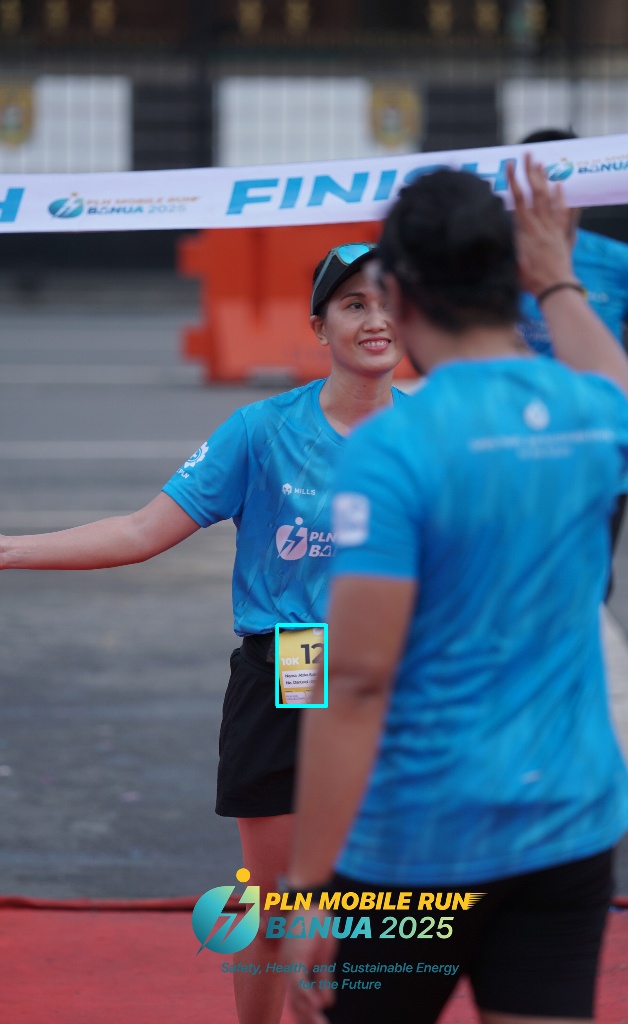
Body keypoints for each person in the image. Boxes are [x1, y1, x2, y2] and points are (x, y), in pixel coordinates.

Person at [0, 241, 406, 1024]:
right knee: (277, 898)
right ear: (319, 326)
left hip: (394, 682)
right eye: (354, 304)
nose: (375, 320)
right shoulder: (261, 430)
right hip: (290, 670)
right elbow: (141, 530)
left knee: (374, 902)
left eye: (389, 302)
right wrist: (11, 550)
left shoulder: (437, 437)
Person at [283, 157, 628, 1024]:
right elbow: (623, 388)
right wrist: (555, 277)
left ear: (396, 295)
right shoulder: (594, 416)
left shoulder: (393, 449)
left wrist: (309, 887)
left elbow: (356, 682)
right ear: (512, 277)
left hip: (416, 844)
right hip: (567, 823)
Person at [518, 128, 628, 574]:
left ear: (582, 193)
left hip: (598, 448)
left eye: (558, 184)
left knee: (592, 582)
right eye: (535, 186)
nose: (547, 200)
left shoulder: (619, 262)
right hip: (513, 446)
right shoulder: (487, 263)